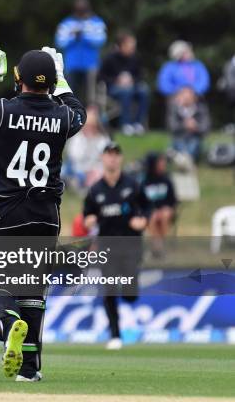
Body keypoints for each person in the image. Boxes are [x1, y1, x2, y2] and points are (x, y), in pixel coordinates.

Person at [0, 44, 86, 381]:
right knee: (33, 292)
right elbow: (78, 111)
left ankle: (10, 325)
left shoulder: (2, 110)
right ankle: (29, 369)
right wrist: (63, 80)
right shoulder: (63, 116)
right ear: (50, 82)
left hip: (9, 211)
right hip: (46, 214)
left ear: (18, 79)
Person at [83, 142, 148, 350]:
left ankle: (129, 295)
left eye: (116, 154)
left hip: (131, 245)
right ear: (103, 158)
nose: (112, 158)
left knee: (130, 294)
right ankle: (115, 335)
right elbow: (87, 215)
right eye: (108, 154)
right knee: (109, 289)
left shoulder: (133, 184)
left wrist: (143, 220)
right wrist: (90, 220)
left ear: (120, 158)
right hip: (107, 245)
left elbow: (147, 207)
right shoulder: (96, 190)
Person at [55, 0, 106, 105]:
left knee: (90, 96)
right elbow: (59, 42)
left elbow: (101, 40)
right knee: (70, 93)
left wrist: (84, 36)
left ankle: (89, 118)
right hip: (72, 65)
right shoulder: (66, 23)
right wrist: (74, 38)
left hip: (90, 65)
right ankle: (71, 114)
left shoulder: (96, 22)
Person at [99, 31, 150, 135]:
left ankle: (138, 124)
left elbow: (140, 75)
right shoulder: (109, 58)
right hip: (113, 89)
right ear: (121, 45)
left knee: (144, 90)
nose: (132, 48)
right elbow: (101, 77)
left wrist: (132, 80)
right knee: (126, 91)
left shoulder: (135, 58)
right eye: (130, 45)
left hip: (132, 86)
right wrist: (117, 80)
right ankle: (126, 124)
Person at [63, 105, 109, 192]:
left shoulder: (103, 140)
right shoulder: (77, 137)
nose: (88, 129)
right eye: (86, 126)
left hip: (94, 170)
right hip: (77, 169)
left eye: (91, 126)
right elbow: (74, 156)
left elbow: (103, 160)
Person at [141, 153, 177, 258]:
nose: (163, 164)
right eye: (160, 162)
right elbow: (142, 201)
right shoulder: (145, 181)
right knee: (153, 217)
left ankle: (158, 247)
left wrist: (166, 208)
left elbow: (172, 199)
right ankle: (158, 248)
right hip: (151, 211)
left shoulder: (167, 180)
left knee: (164, 215)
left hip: (166, 210)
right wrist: (152, 210)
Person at [167, 86, 210, 162]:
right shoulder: (174, 109)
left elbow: (205, 129)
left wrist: (195, 127)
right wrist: (184, 125)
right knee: (178, 143)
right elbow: (172, 127)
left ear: (194, 97)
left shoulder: (201, 109)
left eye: (189, 95)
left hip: (195, 139)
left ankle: (183, 159)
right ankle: (185, 159)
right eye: (183, 95)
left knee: (194, 144)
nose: (186, 97)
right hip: (179, 138)